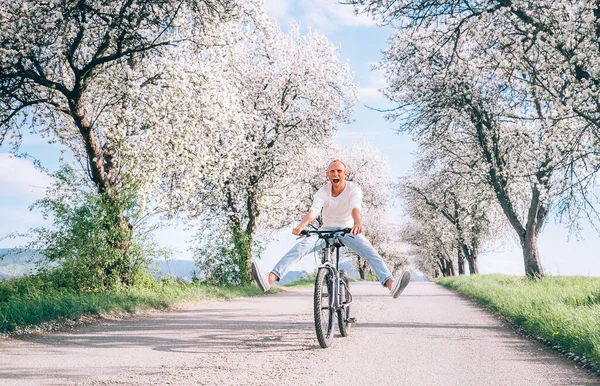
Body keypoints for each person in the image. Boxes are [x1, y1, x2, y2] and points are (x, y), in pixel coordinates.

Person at [251, 159, 411, 298]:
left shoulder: (354, 189)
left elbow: (356, 207)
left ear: (345, 174)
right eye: (332, 171)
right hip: (325, 230)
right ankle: (269, 280)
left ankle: (391, 285)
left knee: (369, 251)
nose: (336, 174)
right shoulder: (323, 191)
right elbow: (314, 211)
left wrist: (357, 223)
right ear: (328, 175)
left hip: (347, 230)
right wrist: (301, 225)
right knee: (300, 248)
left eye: (339, 171)